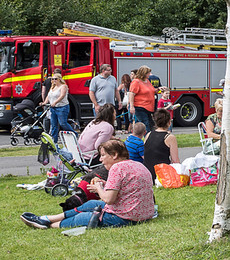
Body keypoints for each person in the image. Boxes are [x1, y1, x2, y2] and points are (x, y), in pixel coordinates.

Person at [21, 139, 155, 229]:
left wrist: (98, 188)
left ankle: (48, 225)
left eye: (102, 156)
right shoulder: (138, 165)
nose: (101, 160)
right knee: (92, 204)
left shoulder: (117, 168)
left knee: (83, 217)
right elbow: (127, 188)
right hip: (143, 213)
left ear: (114, 155)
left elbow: (109, 199)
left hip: (127, 217)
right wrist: (103, 185)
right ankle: (48, 218)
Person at [142, 109, 180, 181]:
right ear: (169, 122)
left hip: (148, 173)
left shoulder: (148, 135)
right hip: (162, 173)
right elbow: (175, 160)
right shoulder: (170, 137)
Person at [40, 73, 73, 144]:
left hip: (62, 107)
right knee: (54, 124)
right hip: (53, 108)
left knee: (62, 123)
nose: (54, 80)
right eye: (52, 79)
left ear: (59, 79)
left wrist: (55, 102)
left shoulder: (63, 86)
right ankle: (54, 140)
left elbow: (62, 96)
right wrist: (44, 103)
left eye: (55, 79)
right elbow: (48, 96)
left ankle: (73, 134)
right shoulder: (53, 87)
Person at [129, 66, 157, 133]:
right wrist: (131, 106)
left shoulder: (147, 81)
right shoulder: (136, 82)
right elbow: (131, 94)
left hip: (148, 107)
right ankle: (147, 140)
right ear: (143, 73)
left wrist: (158, 90)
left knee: (150, 124)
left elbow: (151, 90)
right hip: (140, 106)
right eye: (148, 73)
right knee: (145, 124)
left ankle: (144, 138)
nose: (149, 74)